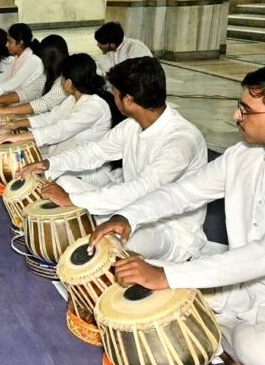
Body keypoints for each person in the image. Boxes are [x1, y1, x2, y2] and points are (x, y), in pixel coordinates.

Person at [89, 67, 265, 365]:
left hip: (248, 281)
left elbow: (258, 256)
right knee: (162, 303)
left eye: (246, 110)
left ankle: (237, 354)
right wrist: (129, 216)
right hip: (240, 288)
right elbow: (184, 192)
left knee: (257, 351)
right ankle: (229, 348)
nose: (235, 115)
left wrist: (165, 275)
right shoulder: (243, 156)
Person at [19, 57, 208, 262]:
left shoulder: (182, 140)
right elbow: (95, 152)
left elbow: (142, 189)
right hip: (129, 210)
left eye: (115, 93)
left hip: (168, 230)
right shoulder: (133, 125)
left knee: (113, 243)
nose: (113, 97)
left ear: (128, 100)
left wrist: (72, 200)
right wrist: (50, 164)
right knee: (63, 181)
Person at [0, 54, 122, 187]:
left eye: (62, 78)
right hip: (65, 160)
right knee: (23, 166)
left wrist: (17, 137)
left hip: (84, 172)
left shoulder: (95, 106)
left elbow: (60, 130)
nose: (60, 82)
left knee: (30, 179)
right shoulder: (75, 98)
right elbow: (51, 117)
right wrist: (16, 124)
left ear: (69, 83)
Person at [0, 34, 69, 115]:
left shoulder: (65, 81)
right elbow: (27, 93)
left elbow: (43, 103)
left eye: (10, 41)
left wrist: (4, 110)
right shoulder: (48, 74)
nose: (7, 45)